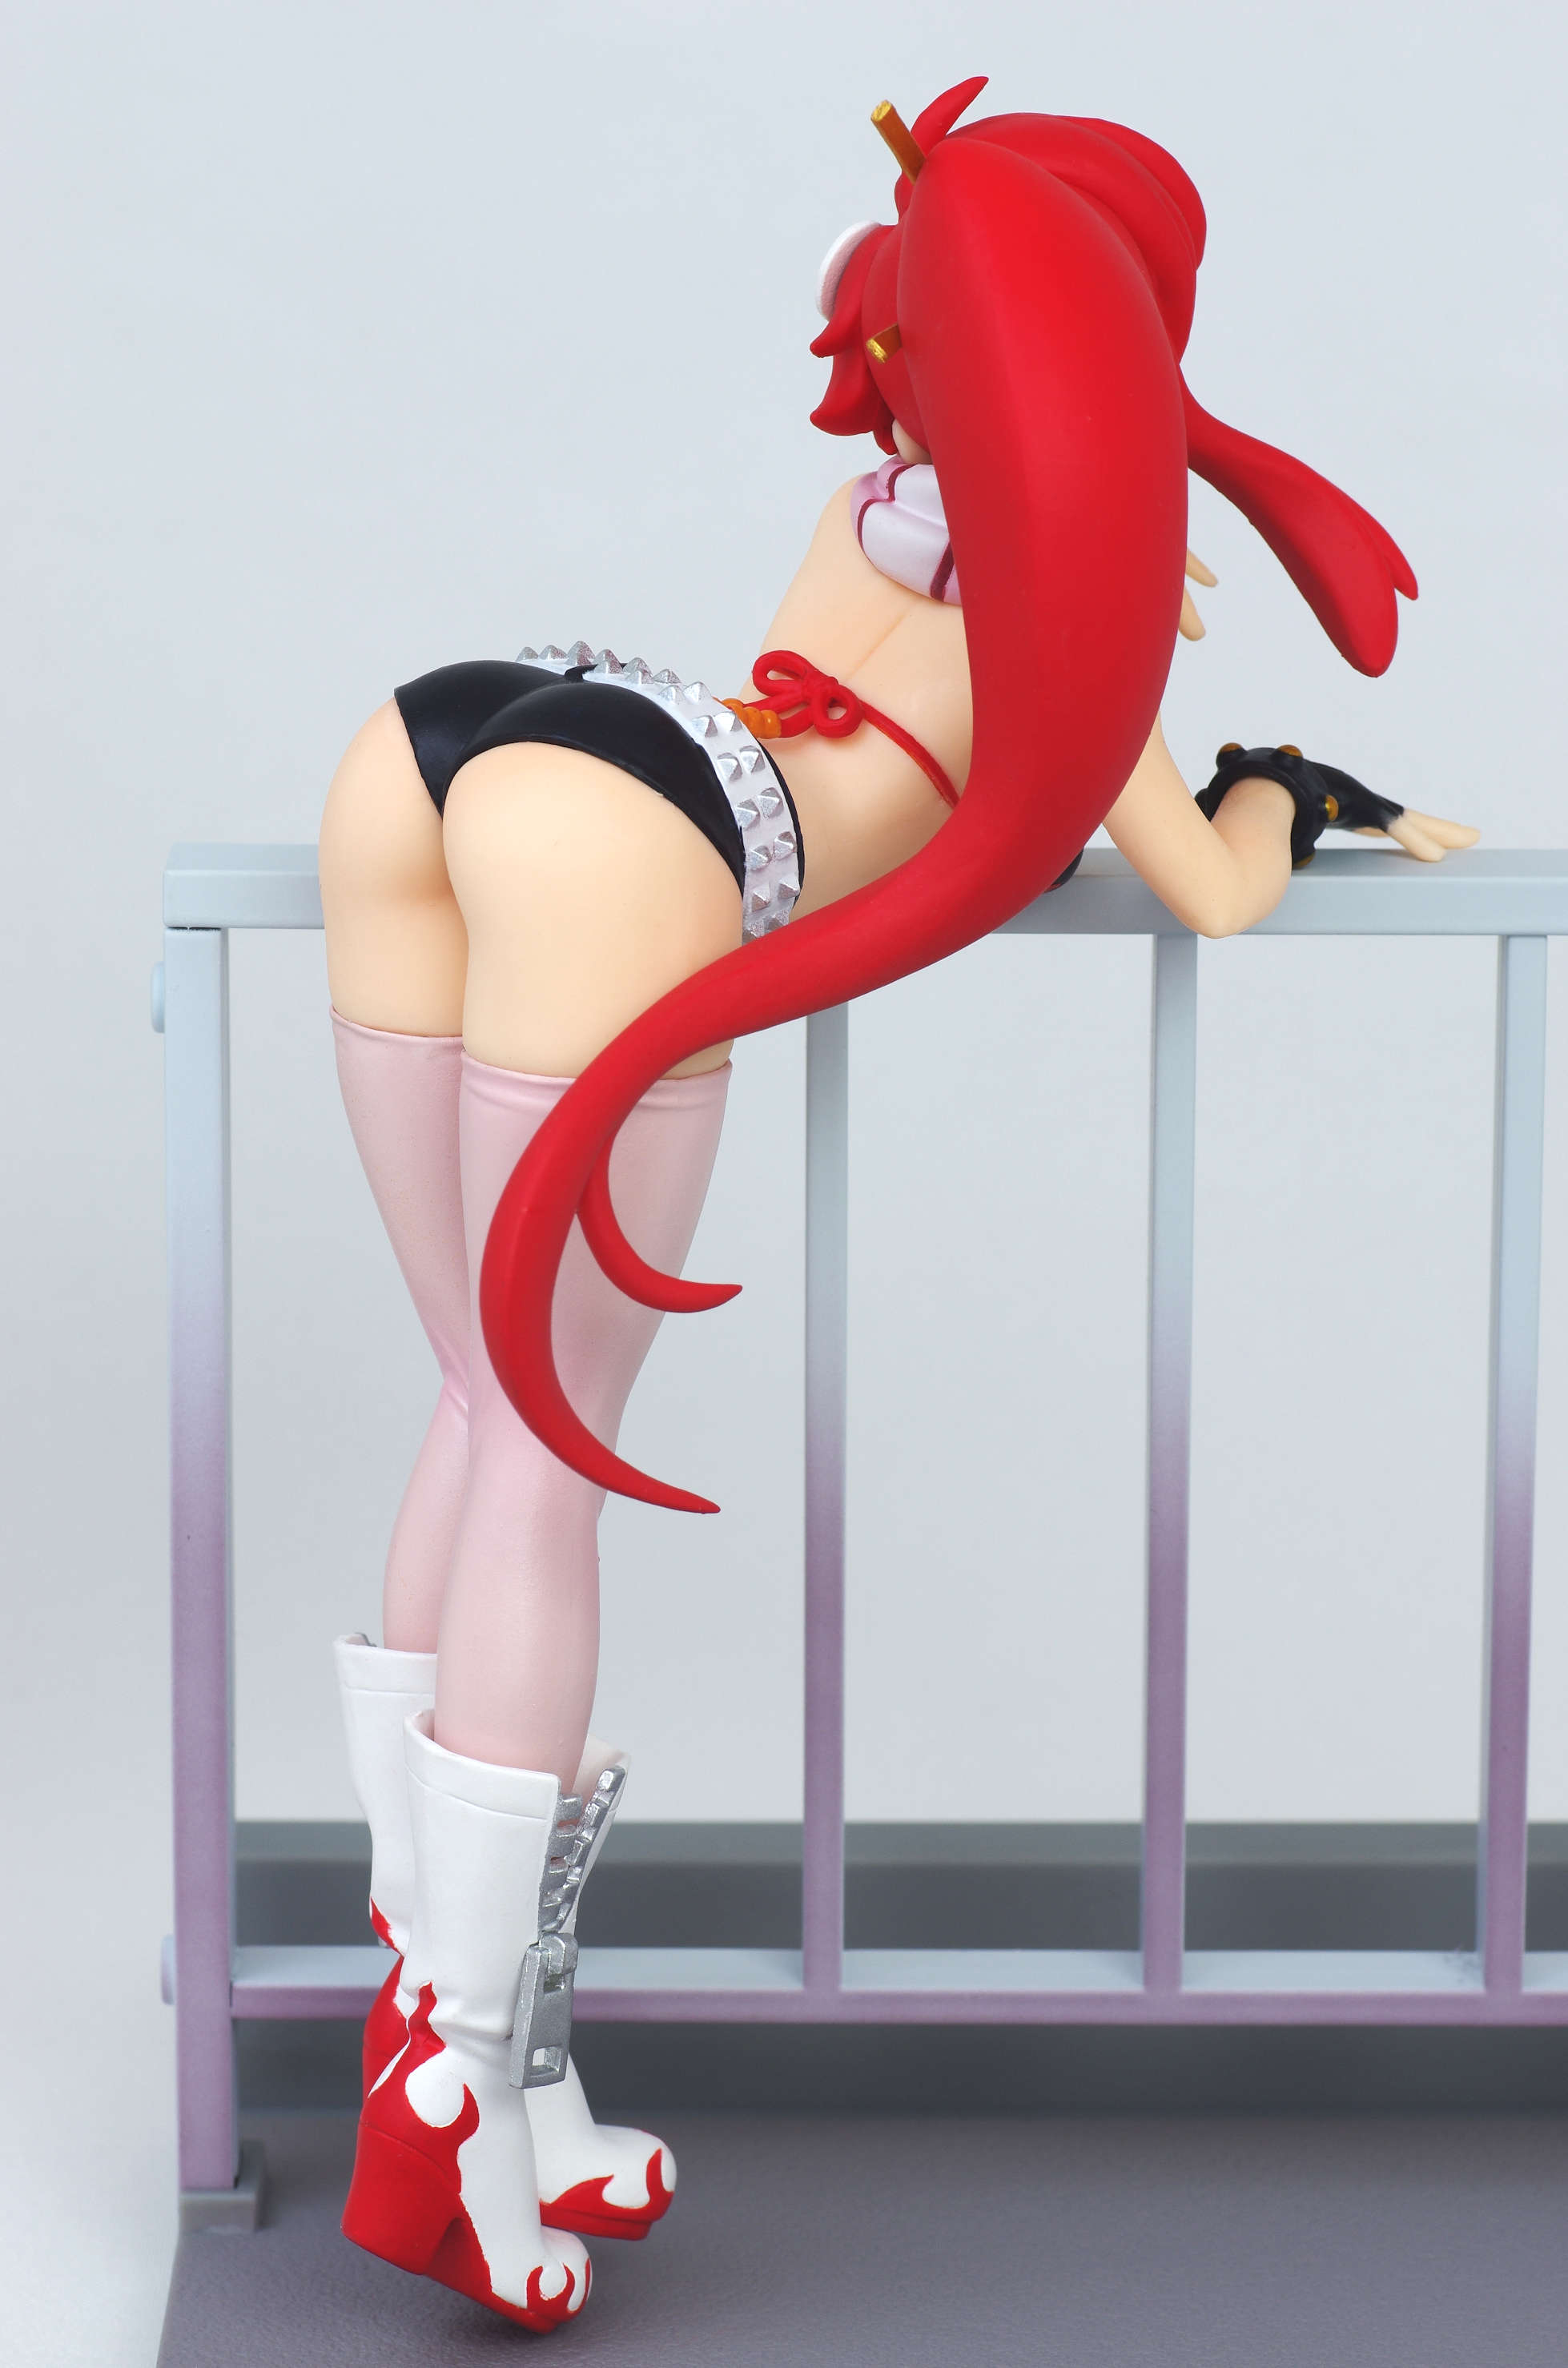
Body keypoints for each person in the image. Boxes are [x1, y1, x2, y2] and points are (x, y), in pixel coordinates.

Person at [316, 79, 1477, 2330]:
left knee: (474, 1404)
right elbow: (1214, 891)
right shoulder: (1072, 598)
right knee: (542, 1456)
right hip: (635, 842)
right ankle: (452, 2088)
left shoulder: (876, 510)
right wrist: (1289, 786)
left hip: (463, 727)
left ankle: (470, 2054)